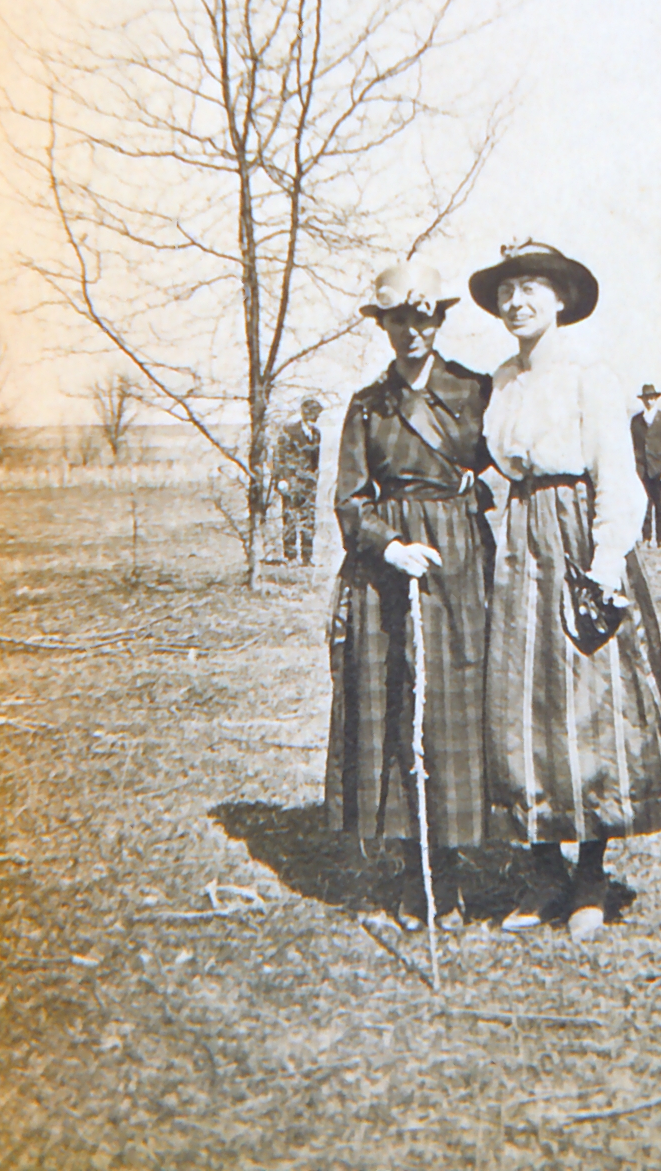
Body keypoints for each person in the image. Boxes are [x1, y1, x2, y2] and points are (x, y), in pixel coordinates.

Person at [468, 241, 661, 942]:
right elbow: (492, 460)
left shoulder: (590, 376)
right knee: (519, 704)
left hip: (575, 540)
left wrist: (603, 564)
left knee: (588, 706)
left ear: (560, 299)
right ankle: (543, 873)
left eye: (531, 288)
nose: (516, 302)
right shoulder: (500, 380)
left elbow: (615, 478)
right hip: (520, 542)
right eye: (506, 292)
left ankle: (590, 876)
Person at [324, 260, 494, 931]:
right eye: (398, 319)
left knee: (452, 706)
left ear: (441, 320)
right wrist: (388, 546)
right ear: (383, 325)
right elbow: (348, 499)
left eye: (423, 317)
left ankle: (448, 872)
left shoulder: (475, 390)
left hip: (459, 561)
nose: (411, 332)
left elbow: (515, 460)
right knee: (394, 703)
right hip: (390, 569)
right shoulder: (368, 405)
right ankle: (409, 866)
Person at [273, 397, 323, 563]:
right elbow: (279, 456)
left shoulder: (316, 434)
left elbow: (315, 460)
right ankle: (291, 556)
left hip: (308, 484)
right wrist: (281, 479)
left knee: (309, 519)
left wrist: (315, 478)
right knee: (290, 518)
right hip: (292, 481)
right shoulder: (289, 431)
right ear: (304, 413)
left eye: (316, 414)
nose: (314, 417)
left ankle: (307, 557)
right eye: (311, 413)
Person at [631, 383, 661, 547]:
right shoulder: (636, 421)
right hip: (642, 470)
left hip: (660, 469)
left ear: (656, 399)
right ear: (642, 400)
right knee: (645, 504)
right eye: (646, 398)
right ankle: (646, 537)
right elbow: (633, 446)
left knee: (660, 506)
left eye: (652, 398)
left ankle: (660, 538)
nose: (649, 401)